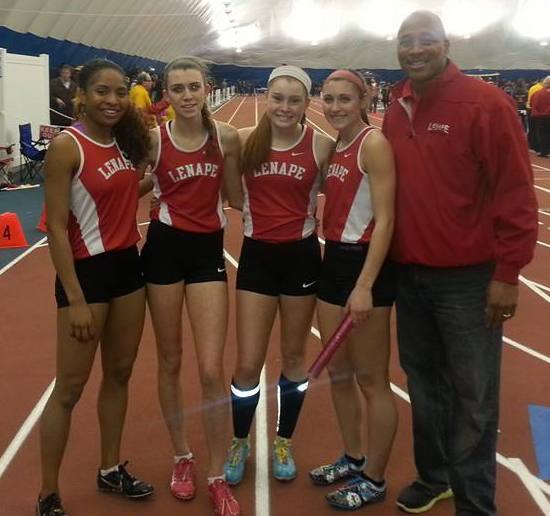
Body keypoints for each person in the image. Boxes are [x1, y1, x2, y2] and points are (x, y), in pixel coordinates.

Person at [383, 11, 538, 515]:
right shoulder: (396, 106)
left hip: (468, 282)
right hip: (410, 277)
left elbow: (516, 192)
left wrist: (507, 274)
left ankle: (474, 504)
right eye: (406, 41)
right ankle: (435, 478)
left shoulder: (485, 103)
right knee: (424, 385)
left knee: (473, 396)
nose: (415, 49)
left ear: (446, 45)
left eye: (426, 39)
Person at [37, 59, 154, 516]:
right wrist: (77, 299)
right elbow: (56, 227)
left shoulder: (125, 142)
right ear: (82, 95)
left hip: (128, 269)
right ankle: (48, 492)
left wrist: (156, 183)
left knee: (119, 374)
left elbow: (121, 194)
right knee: (69, 388)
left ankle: (109, 469)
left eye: (121, 92)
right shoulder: (68, 146)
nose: (113, 100)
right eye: (102, 91)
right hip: (86, 275)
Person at [139, 56, 242, 516]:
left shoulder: (227, 137)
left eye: (193, 87)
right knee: (170, 360)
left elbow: (236, 196)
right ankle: (182, 455)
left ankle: (217, 474)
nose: (186, 95)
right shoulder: (153, 140)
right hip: (163, 251)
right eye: (177, 88)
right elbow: (128, 186)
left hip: (206, 254)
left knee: (210, 369)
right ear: (166, 93)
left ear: (207, 89)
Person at [223, 65, 333, 485]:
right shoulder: (245, 141)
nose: (285, 107)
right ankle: (240, 440)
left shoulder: (321, 146)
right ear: (266, 98)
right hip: (257, 258)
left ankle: (283, 439)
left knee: (293, 357)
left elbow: (342, 192)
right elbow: (231, 194)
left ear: (307, 103)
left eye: (294, 100)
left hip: (301, 258)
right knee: (248, 362)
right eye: (277, 98)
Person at [307, 69, 397, 510]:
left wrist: (365, 286)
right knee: (339, 373)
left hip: (366, 266)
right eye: (329, 98)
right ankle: (353, 456)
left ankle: (374, 478)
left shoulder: (372, 144)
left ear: (363, 100)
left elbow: (387, 219)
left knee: (372, 379)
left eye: (345, 99)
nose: (336, 107)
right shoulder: (336, 145)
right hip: (334, 262)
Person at [530, 76, 550, 157]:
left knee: (541, 134)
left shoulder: (537, 93)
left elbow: (532, 103)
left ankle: (543, 151)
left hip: (540, 116)